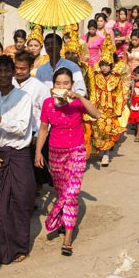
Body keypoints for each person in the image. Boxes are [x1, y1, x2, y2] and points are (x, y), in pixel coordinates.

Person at [35, 68, 100, 256]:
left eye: (66, 83)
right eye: (58, 83)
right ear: (53, 85)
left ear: (71, 85)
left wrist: (79, 97)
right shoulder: (47, 104)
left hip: (76, 151)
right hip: (55, 153)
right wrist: (38, 151)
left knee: (71, 194)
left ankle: (67, 238)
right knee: (61, 191)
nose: (62, 86)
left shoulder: (78, 103)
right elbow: (43, 129)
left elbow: (96, 115)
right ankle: (64, 220)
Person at [0, 55, 34, 265]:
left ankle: (19, 246)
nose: (2, 75)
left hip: (19, 156)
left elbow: (21, 129)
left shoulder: (23, 98)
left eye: (6, 70)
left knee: (20, 201)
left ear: (13, 72)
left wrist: (0, 120)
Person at [13, 51, 52, 191]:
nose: (18, 71)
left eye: (22, 68)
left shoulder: (40, 88)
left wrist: (37, 136)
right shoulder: (9, 83)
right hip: (11, 134)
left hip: (32, 135)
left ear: (30, 67)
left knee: (32, 172)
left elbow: (46, 115)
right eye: (16, 67)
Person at [88, 49, 127, 167]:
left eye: (106, 65)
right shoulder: (96, 77)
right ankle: (100, 149)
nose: (104, 68)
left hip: (110, 108)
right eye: (102, 65)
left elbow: (119, 93)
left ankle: (106, 153)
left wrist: (119, 108)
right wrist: (91, 107)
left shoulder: (116, 77)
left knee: (108, 130)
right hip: (98, 107)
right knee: (97, 130)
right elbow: (93, 92)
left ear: (111, 65)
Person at [35, 32, 87, 97]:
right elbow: (37, 91)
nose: (50, 47)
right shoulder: (41, 70)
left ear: (60, 47)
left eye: (53, 44)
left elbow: (81, 91)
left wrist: (67, 94)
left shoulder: (73, 67)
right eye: (47, 45)